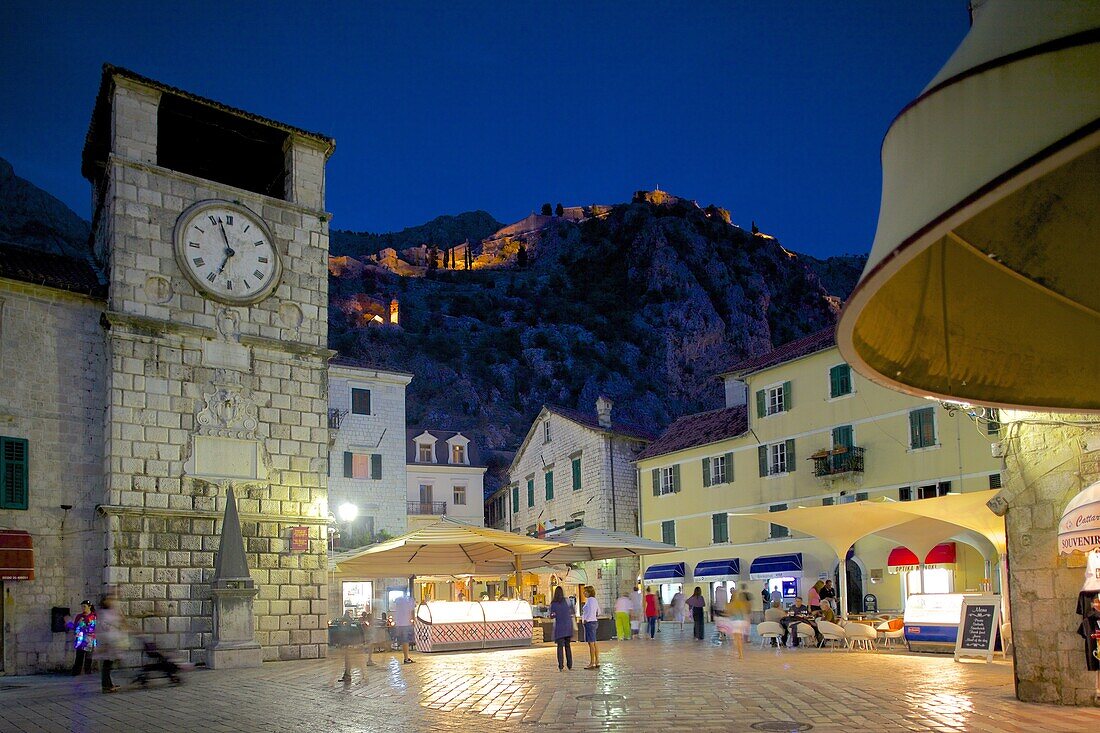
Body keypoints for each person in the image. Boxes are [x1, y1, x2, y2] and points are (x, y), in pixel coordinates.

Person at [96, 594, 125, 693]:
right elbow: (105, 628)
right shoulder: (104, 614)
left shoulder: (108, 612)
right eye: (109, 600)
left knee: (108, 664)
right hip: (107, 642)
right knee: (107, 665)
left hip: (110, 642)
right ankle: (107, 686)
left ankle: (108, 684)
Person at [67, 600, 96, 676]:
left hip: (90, 639)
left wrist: (85, 627)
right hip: (80, 639)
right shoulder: (79, 616)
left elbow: (94, 628)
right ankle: (76, 672)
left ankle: (88, 672)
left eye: (84, 606)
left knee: (89, 657)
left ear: (89, 607)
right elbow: (75, 627)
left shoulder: (94, 616)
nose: (83, 608)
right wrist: (70, 624)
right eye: (82, 606)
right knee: (79, 656)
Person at [549, 586, 574, 671]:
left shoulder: (553, 603)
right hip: (568, 626)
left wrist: (555, 614)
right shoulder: (567, 601)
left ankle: (561, 665)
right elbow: (572, 611)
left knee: (560, 647)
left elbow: (552, 615)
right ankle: (570, 664)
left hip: (559, 627)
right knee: (568, 646)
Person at [393, 589, 416, 663]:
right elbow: (412, 612)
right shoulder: (410, 600)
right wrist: (413, 621)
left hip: (399, 624)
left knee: (403, 641)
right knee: (406, 641)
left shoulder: (398, 600)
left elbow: (396, 611)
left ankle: (406, 657)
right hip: (406, 623)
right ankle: (406, 658)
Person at [581, 585, 601, 669]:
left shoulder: (589, 601)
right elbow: (598, 612)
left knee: (591, 643)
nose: (584, 593)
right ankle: (597, 661)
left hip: (589, 623)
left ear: (589, 592)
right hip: (594, 621)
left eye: (586, 591)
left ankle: (592, 662)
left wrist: (586, 619)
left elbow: (589, 611)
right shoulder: (594, 600)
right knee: (594, 642)